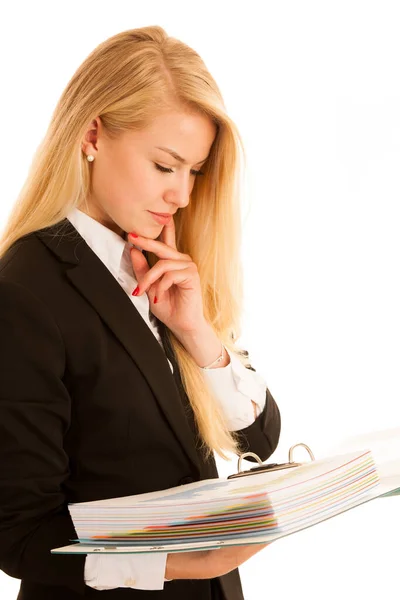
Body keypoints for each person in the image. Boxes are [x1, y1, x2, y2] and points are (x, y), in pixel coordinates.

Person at [0, 25, 281, 600]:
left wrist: (198, 332)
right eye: (164, 165)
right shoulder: (25, 291)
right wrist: (179, 563)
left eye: (194, 171)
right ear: (92, 134)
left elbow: (259, 439)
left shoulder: (166, 271)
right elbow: (19, 535)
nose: (181, 194)